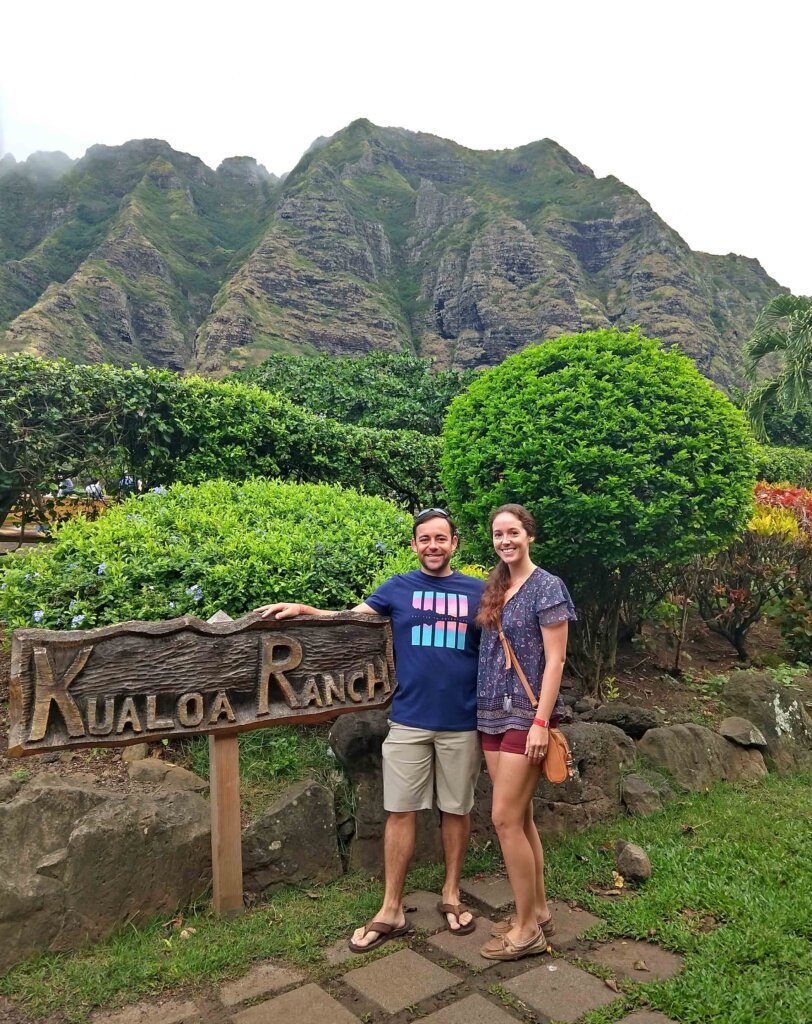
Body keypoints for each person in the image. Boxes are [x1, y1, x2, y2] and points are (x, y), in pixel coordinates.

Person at [255, 508, 486, 951]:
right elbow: (350, 622)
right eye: (424, 539)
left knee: (457, 809)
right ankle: (391, 908)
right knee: (400, 811)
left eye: (441, 538)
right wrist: (306, 611)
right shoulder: (397, 589)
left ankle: (452, 894)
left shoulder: (477, 592)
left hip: (462, 721)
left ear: (455, 543)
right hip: (408, 719)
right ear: (415, 545)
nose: (433, 546)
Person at [475, 503, 575, 961]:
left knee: (503, 819)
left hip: (525, 717)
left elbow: (555, 660)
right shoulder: (498, 584)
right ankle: (538, 909)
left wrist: (541, 723)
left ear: (529, 535)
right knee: (521, 817)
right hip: (491, 713)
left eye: (512, 532)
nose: (505, 541)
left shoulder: (547, 586)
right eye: (498, 534)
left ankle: (526, 929)